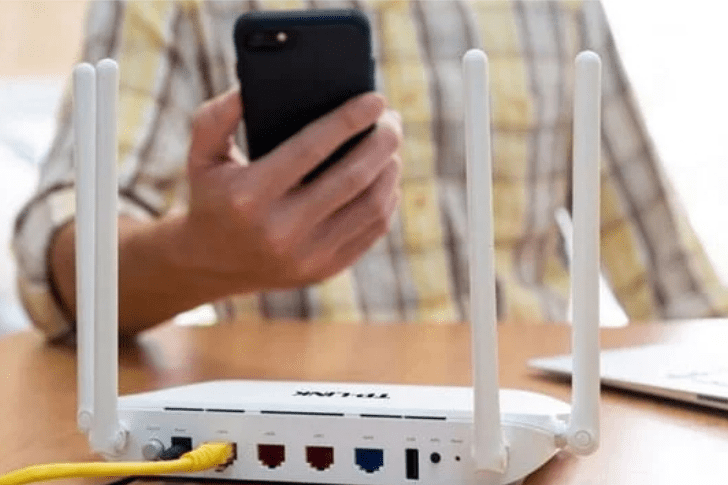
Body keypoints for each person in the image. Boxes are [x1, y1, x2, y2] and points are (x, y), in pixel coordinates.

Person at [13, 0, 728, 341]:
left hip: (536, 442)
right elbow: (58, 256)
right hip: (293, 444)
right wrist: (199, 255)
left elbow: (673, 279)